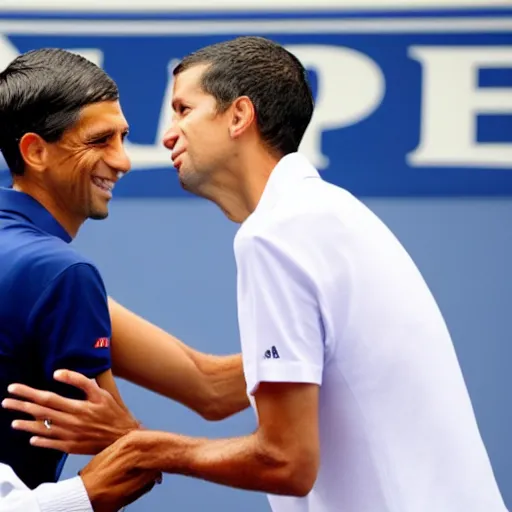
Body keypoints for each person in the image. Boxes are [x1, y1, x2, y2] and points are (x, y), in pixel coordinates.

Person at [6, 36, 507, 512]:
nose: (133, 156)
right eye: (101, 140)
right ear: (34, 151)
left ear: (240, 115)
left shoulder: (281, 230)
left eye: (182, 110)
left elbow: (223, 402)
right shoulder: (329, 215)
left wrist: (141, 447)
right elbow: (186, 408)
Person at [0, 47, 248, 496]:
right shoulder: (58, 275)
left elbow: (209, 385)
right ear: (35, 151)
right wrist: (131, 436)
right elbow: (127, 468)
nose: (123, 161)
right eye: (100, 141)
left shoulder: (45, 275)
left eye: (123, 138)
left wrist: (320, 347)